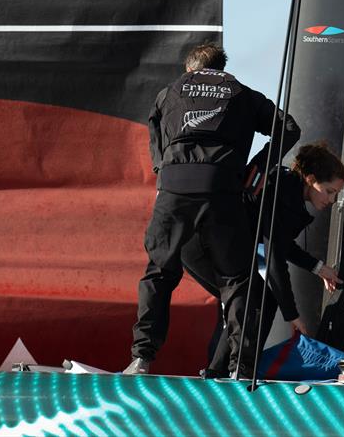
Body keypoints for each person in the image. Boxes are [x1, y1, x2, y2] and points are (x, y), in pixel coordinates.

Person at [123, 43, 300, 376]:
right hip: (223, 190)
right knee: (237, 281)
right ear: (221, 67)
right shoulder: (242, 93)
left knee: (159, 273)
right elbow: (289, 127)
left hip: (174, 190)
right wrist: (257, 169)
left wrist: (163, 170)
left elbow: (154, 130)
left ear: (190, 67)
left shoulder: (169, 93)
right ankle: (241, 369)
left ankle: (142, 358)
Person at [183, 143, 344, 378]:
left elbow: (279, 244)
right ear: (310, 179)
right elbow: (274, 260)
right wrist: (292, 315)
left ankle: (221, 370)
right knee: (250, 297)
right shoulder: (283, 194)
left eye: (336, 194)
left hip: (204, 242)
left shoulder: (286, 190)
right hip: (200, 243)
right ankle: (235, 369)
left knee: (250, 299)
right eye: (330, 191)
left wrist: (319, 268)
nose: (332, 199)